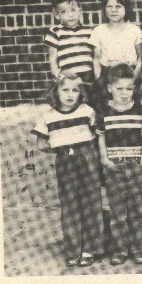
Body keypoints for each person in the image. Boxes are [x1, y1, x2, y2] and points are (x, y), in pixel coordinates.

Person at [31, 71, 104, 267]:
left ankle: (91, 248)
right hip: (65, 161)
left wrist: (88, 153)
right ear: (56, 92)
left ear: (81, 93)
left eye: (75, 90)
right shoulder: (48, 117)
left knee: (92, 203)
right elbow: (40, 144)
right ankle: (73, 250)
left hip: (88, 157)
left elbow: (97, 136)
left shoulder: (87, 111)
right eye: (65, 90)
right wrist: (61, 148)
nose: (70, 94)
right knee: (70, 205)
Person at [96, 64, 142, 265]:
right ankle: (120, 249)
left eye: (129, 88)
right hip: (115, 166)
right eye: (119, 88)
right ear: (110, 88)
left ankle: (139, 248)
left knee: (140, 210)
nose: (125, 93)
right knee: (118, 212)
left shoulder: (140, 110)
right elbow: (101, 139)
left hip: (136, 165)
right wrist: (105, 160)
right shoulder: (104, 112)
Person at [89, 0, 142, 110]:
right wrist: (99, 80)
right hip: (107, 73)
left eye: (118, 6)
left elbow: (140, 56)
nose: (113, 10)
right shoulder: (99, 31)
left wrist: (136, 75)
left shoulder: (134, 30)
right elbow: (96, 58)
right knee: (105, 106)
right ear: (104, 9)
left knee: (131, 105)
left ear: (126, 8)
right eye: (109, 6)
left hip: (129, 73)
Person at [44, 0, 95, 104]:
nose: (70, 15)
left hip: (88, 76)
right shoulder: (56, 31)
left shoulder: (89, 31)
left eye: (73, 10)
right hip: (68, 76)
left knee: (90, 103)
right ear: (57, 15)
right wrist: (55, 72)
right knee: (72, 102)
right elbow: (52, 55)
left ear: (80, 11)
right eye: (64, 12)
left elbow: (95, 53)